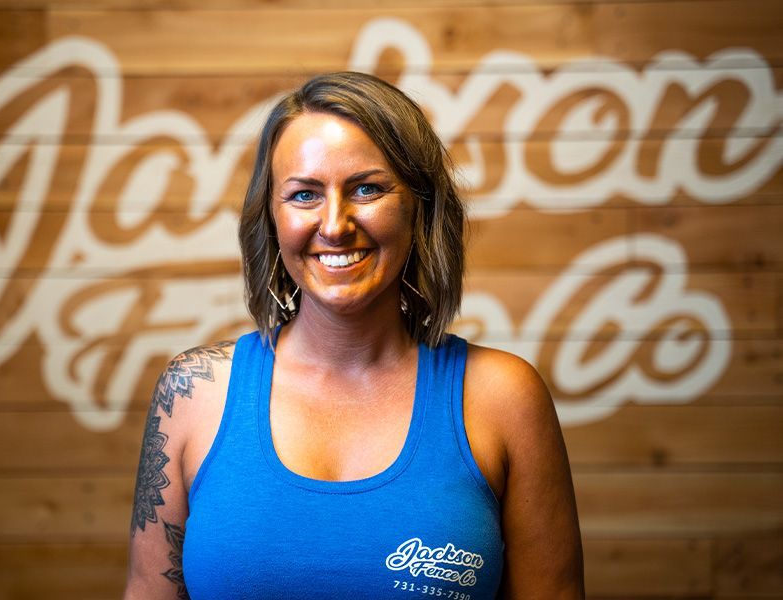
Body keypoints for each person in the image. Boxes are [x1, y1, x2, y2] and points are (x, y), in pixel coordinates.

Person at [124, 71, 584, 599]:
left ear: (420, 207)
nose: (336, 224)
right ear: (271, 219)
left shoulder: (504, 397)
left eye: (368, 188)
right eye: (303, 195)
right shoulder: (193, 392)